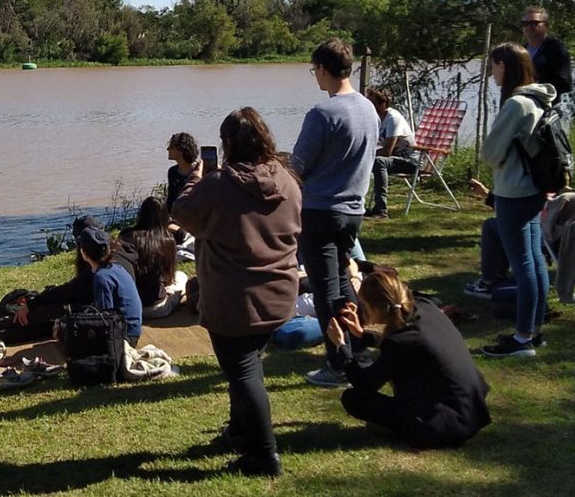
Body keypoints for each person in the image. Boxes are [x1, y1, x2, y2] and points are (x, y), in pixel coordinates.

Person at [172, 107, 301, 477]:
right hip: (278, 294)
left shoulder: (219, 184)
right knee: (248, 363)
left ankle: (264, 455)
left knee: (243, 372)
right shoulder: (288, 180)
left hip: (235, 301)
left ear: (227, 144)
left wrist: (197, 179)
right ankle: (240, 429)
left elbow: (181, 213)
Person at [290, 38, 378, 387]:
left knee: (327, 290)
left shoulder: (322, 114)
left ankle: (338, 363)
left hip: (320, 211)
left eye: (314, 70)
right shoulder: (369, 108)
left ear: (324, 70)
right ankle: (359, 347)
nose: (315, 76)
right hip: (353, 209)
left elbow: (298, 166)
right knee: (342, 279)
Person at [327, 272, 491, 448]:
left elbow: (364, 383)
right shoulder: (426, 307)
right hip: (473, 409)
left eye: (365, 306)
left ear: (376, 309)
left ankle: (403, 429)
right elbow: (410, 344)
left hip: (446, 426)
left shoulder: (399, 343)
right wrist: (361, 334)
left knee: (354, 398)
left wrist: (341, 346)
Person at [475, 43, 555, 358]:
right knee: (534, 261)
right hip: (535, 188)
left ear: (504, 66)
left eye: (494, 66)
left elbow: (490, 154)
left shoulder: (516, 104)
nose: (492, 72)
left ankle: (522, 338)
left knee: (523, 263)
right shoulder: (540, 98)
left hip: (514, 190)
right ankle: (533, 331)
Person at [0, 215, 138, 344]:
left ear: (84, 250)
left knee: (58, 319)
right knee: (58, 316)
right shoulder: (112, 263)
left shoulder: (101, 276)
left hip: (122, 335)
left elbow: (105, 320)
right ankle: (0, 330)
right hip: (126, 325)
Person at [118, 197, 185, 320]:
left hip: (128, 307)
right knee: (181, 276)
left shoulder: (125, 235)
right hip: (156, 308)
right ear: (165, 217)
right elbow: (168, 277)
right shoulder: (167, 241)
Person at [77, 226, 143, 347]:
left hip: (125, 337)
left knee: (70, 333)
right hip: (132, 329)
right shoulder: (116, 267)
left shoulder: (101, 277)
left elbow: (105, 320)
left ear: (84, 253)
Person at [365, 88, 417, 219]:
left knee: (379, 161)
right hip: (395, 158)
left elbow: (387, 151)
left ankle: (381, 210)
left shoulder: (393, 118)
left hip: (411, 160)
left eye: (371, 103)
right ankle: (357, 205)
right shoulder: (375, 118)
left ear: (382, 104)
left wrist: (366, 155)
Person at [522, 6, 572, 105]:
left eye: (535, 23)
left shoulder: (556, 49)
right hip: (522, 106)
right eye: (525, 23)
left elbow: (565, 84)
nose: (529, 27)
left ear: (546, 25)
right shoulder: (521, 50)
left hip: (546, 108)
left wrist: (537, 84)